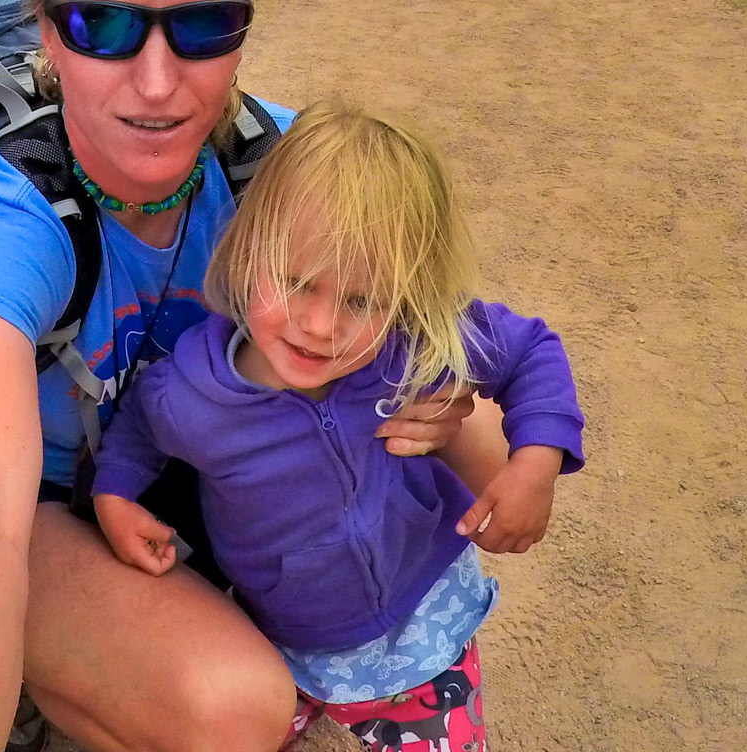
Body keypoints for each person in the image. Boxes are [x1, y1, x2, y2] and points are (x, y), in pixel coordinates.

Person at [0, 0, 479, 752]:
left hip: (184, 479)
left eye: (203, 28)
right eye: (102, 26)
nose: (155, 81)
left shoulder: (286, 169)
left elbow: (451, 374)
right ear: (50, 38)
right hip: (46, 506)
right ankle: (52, 665)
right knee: (232, 709)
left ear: (241, 35)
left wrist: (472, 430)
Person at [91, 103, 583, 752]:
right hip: (283, 641)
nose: (320, 325)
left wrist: (537, 463)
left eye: (361, 299)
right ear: (245, 253)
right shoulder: (192, 392)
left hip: (422, 621)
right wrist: (114, 498)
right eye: (296, 282)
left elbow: (531, 351)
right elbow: (137, 429)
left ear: (408, 290)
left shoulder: (415, 340)